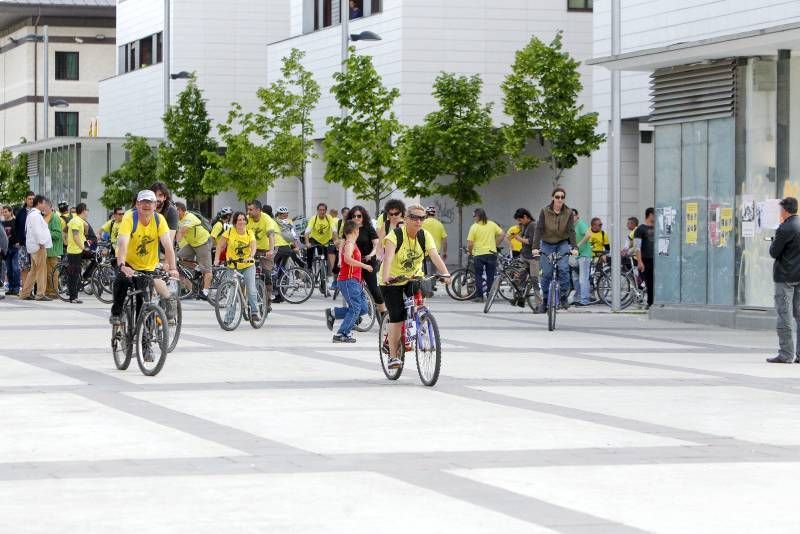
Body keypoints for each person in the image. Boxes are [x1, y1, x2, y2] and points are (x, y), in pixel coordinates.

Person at [381, 204, 450, 370]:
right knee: (397, 316)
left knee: (419, 304)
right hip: (392, 279)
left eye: (422, 218)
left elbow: (434, 255)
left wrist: (446, 273)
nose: (418, 221)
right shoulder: (395, 236)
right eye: (414, 217)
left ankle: (417, 324)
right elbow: (388, 258)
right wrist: (386, 276)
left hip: (414, 276)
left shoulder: (425, 236)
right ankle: (392, 356)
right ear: (405, 218)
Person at [110, 190, 179, 325]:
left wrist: (172, 268)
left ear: (155, 205)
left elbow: (168, 245)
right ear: (137, 204)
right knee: (122, 282)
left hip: (148, 266)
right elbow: (123, 243)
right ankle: (116, 314)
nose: (146, 205)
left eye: (150, 202)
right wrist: (122, 265)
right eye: (143, 202)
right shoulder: (130, 218)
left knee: (144, 302)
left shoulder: (159, 220)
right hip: (128, 262)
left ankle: (144, 342)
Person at [325, 220, 372, 342]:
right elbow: (347, 259)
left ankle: (334, 313)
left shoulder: (349, 243)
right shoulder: (350, 244)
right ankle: (342, 334)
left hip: (355, 281)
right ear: (356, 231)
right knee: (356, 308)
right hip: (348, 280)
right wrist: (364, 265)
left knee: (363, 308)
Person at [532, 187, 577, 311]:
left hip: (562, 243)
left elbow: (571, 230)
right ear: (553, 198)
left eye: (562, 197)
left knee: (563, 269)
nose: (560, 199)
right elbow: (539, 229)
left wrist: (574, 246)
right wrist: (535, 247)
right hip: (546, 243)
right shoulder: (544, 211)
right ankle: (545, 301)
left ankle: (563, 296)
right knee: (546, 273)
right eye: (557, 197)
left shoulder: (568, 212)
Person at [767, 197, 800, 363]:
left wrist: (773, 242)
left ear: (785, 210)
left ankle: (786, 353)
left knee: (784, 313)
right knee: (799, 314)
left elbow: (774, 252)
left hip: (785, 277)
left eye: (780, 210)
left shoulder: (785, 228)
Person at [214, 211, 260, 323]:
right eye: (239, 220)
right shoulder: (229, 232)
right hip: (233, 265)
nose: (242, 221)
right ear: (235, 222)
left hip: (247, 265)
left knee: (251, 289)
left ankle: (255, 311)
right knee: (231, 293)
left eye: (243, 219)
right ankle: (229, 319)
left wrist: (251, 256)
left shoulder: (249, 233)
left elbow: (253, 246)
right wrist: (216, 259)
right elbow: (220, 245)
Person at [346, 205, 385, 316]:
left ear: (363, 217)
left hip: (367, 262)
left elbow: (376, 244)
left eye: (359, 216)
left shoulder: (368, 228)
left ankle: (383, 314)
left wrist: (371, 255)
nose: (356, 218)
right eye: (354, 216)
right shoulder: (348, 229)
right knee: (353, 291)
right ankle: (355, 314)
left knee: (374, 289)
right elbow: (344, 242)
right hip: (353, 264)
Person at [175, 202, 213, 300]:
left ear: (180, 210)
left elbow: (182, 231)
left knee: (207, 269)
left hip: (203, 242)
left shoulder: (189, 217)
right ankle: (197, 268)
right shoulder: (179, 219)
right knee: (178, 257)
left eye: (175, 210)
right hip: (192, 243)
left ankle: (205, 291)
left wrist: (173, 244)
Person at [467, 208, 504, 303]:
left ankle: (479, 297)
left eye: (474, 216)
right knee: (490, 275)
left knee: (478, 275)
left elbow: (470, 243)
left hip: (479, 254)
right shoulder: (492, 224)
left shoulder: (474, 227)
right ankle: (489, 295)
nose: (473, 218)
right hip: (491, 253)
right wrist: (495, 245)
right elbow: (502, 234)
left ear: (478, 216)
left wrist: (470, 252)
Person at [19, 195, 52, 301]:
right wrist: (42, 242)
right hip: (38, 246)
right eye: (44, 203)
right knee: (41, 270)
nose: (45, 205)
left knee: (33, 271)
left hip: (33, 246)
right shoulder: (36, 216)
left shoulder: (31, 214)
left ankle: (25, 293)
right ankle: (40, 294)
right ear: (39, 203)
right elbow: (38, 231)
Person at [246, 200, 276, 301]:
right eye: (248, 209)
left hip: (265, 249)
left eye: (251, 209)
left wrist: (271, 250)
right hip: (251, 250)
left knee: (267, 274)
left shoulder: (267, 219)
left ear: (258, 210)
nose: (248, 212)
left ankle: (268, 298)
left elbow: (271, 235)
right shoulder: (246, 219)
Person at [510, 208, 537, 308]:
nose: (519, 222)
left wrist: (519, 238)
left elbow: (531, 241)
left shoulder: (533, 225)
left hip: (532, 257)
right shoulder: (525, 226)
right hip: (524, 255)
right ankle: (520, 298)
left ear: (525, 217)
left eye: (520, 220)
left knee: (534, 280)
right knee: (520, 277)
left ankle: (538, 304)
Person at [65, 203, 89, 304]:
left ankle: (84, 279)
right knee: (73, 275)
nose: (88, 212)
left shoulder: (79, 221)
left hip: (77, 250)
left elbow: (65, 230)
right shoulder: (76, 221)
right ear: (83, 211)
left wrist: (86, 225)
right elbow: (75, 236)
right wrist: (83, 248)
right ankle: (72, 297)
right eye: (87, 210)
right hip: (74, 251)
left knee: (76, 273)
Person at [304, 202, 338, 274]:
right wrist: (307, 243)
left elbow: (334, 230)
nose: (322, 212)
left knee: (324, 257)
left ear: (326, 211)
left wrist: (336, 240)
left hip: (326, 240)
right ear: (317, 210)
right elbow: (307, 231)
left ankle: (324, 273)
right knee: (310, 249)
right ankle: (309, 268)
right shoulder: (314, 218)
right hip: (314, 239)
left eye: (323, 210)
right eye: (320, 210)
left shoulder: (329, 218)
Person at [633, 208, 655, 308]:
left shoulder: (658, 228)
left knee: (656, 282)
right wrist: (640, 261)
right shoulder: (640, 229)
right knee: (649, 282)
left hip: (657, 259)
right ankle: (650, 302)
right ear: (650, 215)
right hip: (646, 258)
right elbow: (637, 246)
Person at [571, 208, 592, 306]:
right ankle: (578, 298)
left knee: (583, 278)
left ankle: (584, 300)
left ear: (577, 216)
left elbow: (588, 235)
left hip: (584, 255)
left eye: (573, 215)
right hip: (576, 255)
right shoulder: (571, 226)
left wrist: (578, 245)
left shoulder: (580, 224)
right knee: (575, 278)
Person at [44, 201, 64, 299]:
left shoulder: (54, 217)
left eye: (45, 207)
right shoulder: (45, 217)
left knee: (52, 272)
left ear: (50, 207)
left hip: (53, 250)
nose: (43, 209)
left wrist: (45, 234)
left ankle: (53, 292)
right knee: (47, 272)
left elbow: (57, 234)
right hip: (47, 250)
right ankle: (48, 291)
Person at [15, 191, 35, 289]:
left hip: (35, 244)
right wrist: (17, 241)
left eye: (33, 199)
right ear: (25, 199)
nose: (31, 200)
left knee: (34, 267)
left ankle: (33, 289)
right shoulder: (20, 213)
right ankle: (25, 290)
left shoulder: (37, 212)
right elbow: (16, 228)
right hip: (23, 244)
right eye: (29, 199)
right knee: (24, 267)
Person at [422, 206, 448, 275]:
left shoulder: (422, 223)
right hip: (436, 252)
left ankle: (425, 285)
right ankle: (432, 285)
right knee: (434, 273)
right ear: (434, 214)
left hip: (424, 252)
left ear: (426, 214)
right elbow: (445, 240)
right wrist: (445, 252)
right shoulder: (440, 224)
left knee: (424, 273)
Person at [2, 205, 19, 296]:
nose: (4, 214)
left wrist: (19, 242)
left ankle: (16, 288)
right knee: (8, 269)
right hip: (6, 249)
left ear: (10, 212)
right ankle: (11, 287)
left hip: (15, 248)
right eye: (3, 212)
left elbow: (20, 232)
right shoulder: (3, 223)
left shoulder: (15, 221)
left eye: (6, 212)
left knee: (15, 268)